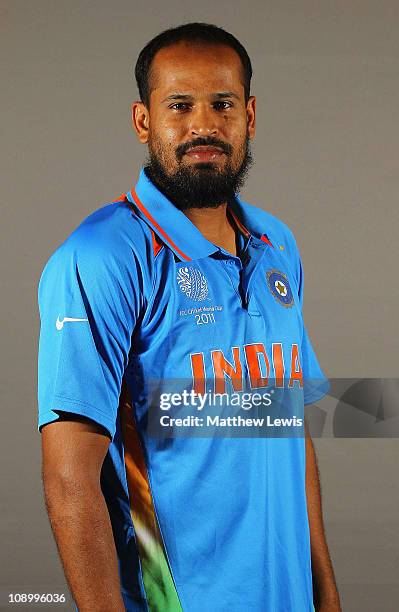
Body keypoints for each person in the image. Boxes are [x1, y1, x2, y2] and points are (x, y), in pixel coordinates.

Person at [38, 22, 341, 612]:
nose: (203, 125)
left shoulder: (277, 244)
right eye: (180, 105)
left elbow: (286, 428)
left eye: (222, 104)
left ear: (249, 116)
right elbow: (70, 479)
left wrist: (323, 590)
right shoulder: (101, 257)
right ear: (143, 121)